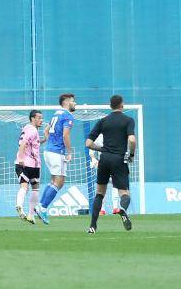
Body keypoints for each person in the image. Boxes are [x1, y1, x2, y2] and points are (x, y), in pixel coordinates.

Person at [84, 95, 137, 233]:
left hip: (104, 159)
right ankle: (123, 209)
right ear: (122, 105)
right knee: (124, 193)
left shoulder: (103, 121)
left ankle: (92, 226)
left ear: (110, 106)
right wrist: (131, 154)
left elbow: (88, 143)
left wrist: (102, 149)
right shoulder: (128, 120)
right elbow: (131, 140)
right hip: (118, 159)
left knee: (100, 193)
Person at [35, 93, 77, 223]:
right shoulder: (67, 115)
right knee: (59, 182)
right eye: (73, 101)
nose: (75, 103)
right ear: (66, 102)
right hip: (57, 152)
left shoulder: (56, 114)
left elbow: (46, 130)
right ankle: (42, 207)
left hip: (49, 151)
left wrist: (49, 142)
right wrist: (69, 152)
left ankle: (40, 205)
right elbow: (65, 136)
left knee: (55, 181)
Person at [15, 110, 43, 224]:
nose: (41, 120)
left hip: (22, 163)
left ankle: (20, 205)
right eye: (39, 118)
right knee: (35, 188)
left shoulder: (26, 128)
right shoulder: (32, 130)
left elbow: (33, 143)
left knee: (24, 187)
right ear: (32, 119)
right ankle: (31, 214)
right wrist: (22, 158)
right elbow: (23, 144)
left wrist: (45, 138)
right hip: (30, 164)